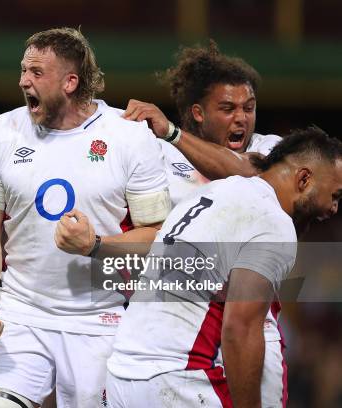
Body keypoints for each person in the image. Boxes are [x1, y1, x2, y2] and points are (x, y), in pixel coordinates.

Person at [0, 27, 171, 408]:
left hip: (100, 318)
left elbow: (159, 238)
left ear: (70, 82)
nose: (23, 80)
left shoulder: (128, 137)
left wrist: (95, 246)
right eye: (23, 70)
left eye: (36, 73)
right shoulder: (0, 134)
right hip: (21, 311)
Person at [105, 126, 342, 407]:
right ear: (304, 178)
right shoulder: (272, 222)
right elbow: (239, 327)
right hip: (179, 378)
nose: (334, 209)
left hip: (123, 372)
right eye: (335, 195)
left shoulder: (213, 191)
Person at [122, 40, 281, 206]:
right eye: (228, 109)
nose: (241, 118)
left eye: (249, 108)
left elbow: (249, 171)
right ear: (198, 113)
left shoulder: (271, 146)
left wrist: (171, 132)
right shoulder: (162, 153)